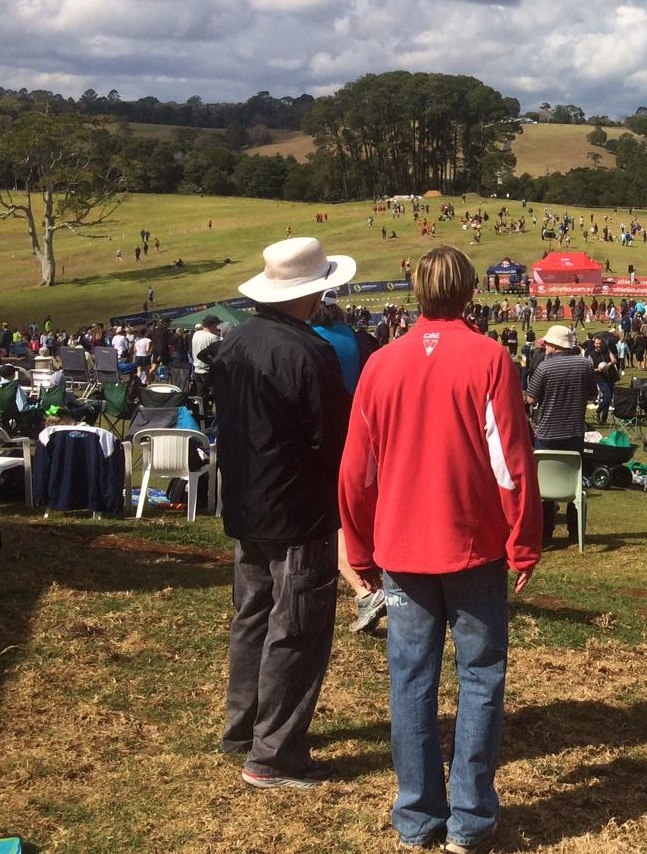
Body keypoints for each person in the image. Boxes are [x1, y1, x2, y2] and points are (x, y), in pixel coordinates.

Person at [340, 247, 542, 852]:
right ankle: (470, 820)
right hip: (472, 546)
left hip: (402, 548)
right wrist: (524, 539)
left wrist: (358, 545)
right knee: (480, 678)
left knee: (410, 681)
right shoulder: (488, 356)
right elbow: (512, 461)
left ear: (415, 289)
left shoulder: (381, 364)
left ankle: (418, 817)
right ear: (471, 291)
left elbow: (357, 469)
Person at [213, 237, 354, 788]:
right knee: (295, 627)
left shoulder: (234, 343)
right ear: (311, 293)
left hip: (248, 503)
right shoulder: (308, 352)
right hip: (297, 508)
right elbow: (332, 438)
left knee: (252, 616)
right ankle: (274, 753)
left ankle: (243, 727)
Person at [312, 290, 385, 634]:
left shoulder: (308, 340)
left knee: (333, 519)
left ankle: (364, 589)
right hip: (364, 432)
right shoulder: (361, 340)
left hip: (326, 436)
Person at [525, 324, 595, 540]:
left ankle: (546, 531)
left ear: (555, 346)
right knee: (574, 482)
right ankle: (575, 531)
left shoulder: (544, 368)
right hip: (574, 432)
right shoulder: (585, 365)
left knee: (545, 485)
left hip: (547, 433)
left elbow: (530, 399)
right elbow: (592, 394)